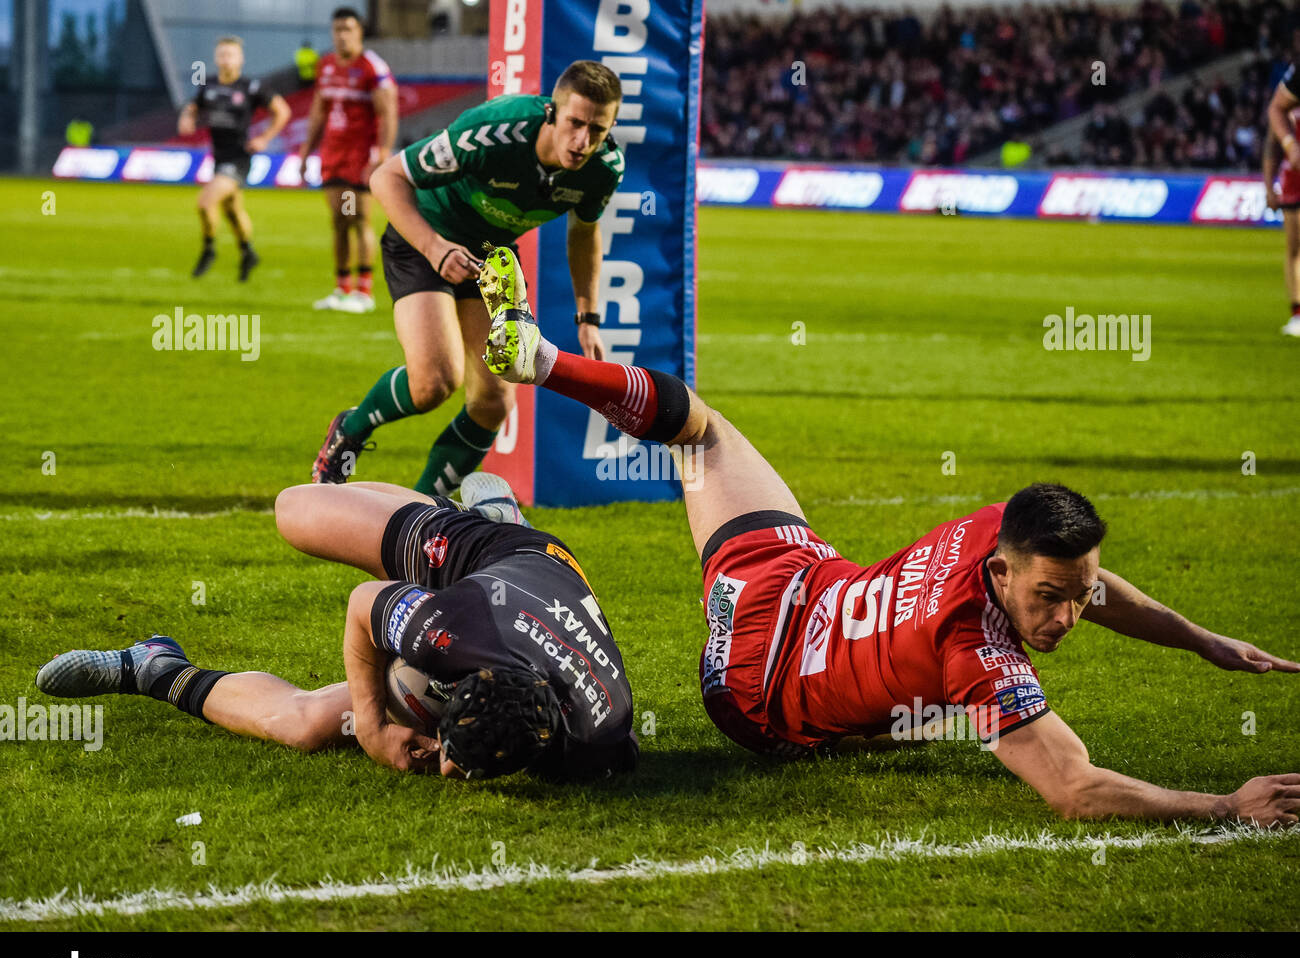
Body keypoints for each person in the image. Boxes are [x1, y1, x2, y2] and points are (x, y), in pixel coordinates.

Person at [470, 246, 1300, 825]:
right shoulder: (978, 653)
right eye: (1049, 598)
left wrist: (1201, 640)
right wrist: (1228, 803)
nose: (1068, 617)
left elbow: (1099, 588)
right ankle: (531, 380)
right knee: (941, 710)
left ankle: (543, 366)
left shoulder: (1001, 528)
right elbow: (1075, 788)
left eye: (1077, 597)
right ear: (1004, 570)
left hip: (795, 586)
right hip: (757, 690)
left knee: (704, 435)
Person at [35, 474, 638, 782]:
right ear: (461, 678)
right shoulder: (448, 631)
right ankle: (477, 515)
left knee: (305, 726)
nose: (447, 771)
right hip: (500, 558)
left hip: (520, 619)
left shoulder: (598, 737)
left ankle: (153, 666)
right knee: (295, 511)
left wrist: (411, 726)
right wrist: (374, 727)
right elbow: (363, 605)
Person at [311, 60, 625, 496]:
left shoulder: (605, 168)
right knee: (433, 384)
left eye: (598, 129)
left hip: (489, 258)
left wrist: (588, 317)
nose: (583, 140)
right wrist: (435, 248)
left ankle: (423, 508)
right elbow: (386, 177)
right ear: (551, 113)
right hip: (424, 236)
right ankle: (351, 427)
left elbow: (584, 233)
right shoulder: (493, 132)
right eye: (574, 123)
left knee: (493, 401)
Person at [297, 7, 398, 313]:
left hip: (360, 157)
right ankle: (341, 290)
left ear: (360, 32)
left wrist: (382, 152)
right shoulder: (325, 66)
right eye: (337, 29)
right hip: (333, 156)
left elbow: (388, 112)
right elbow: (318, 112)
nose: (342, 35)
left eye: (348, 29)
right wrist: (306, 151)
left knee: (358, 219)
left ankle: (363, 292)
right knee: (339, 221)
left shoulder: (371, 67)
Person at [177, 36, 290, 282]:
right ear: (216, 58)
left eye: (231, 55)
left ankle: (208, 250)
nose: (226, 59)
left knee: (206, 203)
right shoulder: (208, 85)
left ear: (240, 59)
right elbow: (193, 107)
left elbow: (282, 111)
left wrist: (265, 138)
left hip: (239, 158)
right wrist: (186, 117)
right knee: (232, 211)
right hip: (218, 157)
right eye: (222, 55)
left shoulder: (251, 87)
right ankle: (248, 252)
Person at [1265, 62, 1300, 336]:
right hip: (1294, 178)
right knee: (1295, 247)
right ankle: (1297, 312)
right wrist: (1269, 185)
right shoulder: (1287, 111)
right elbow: (1271, 143)